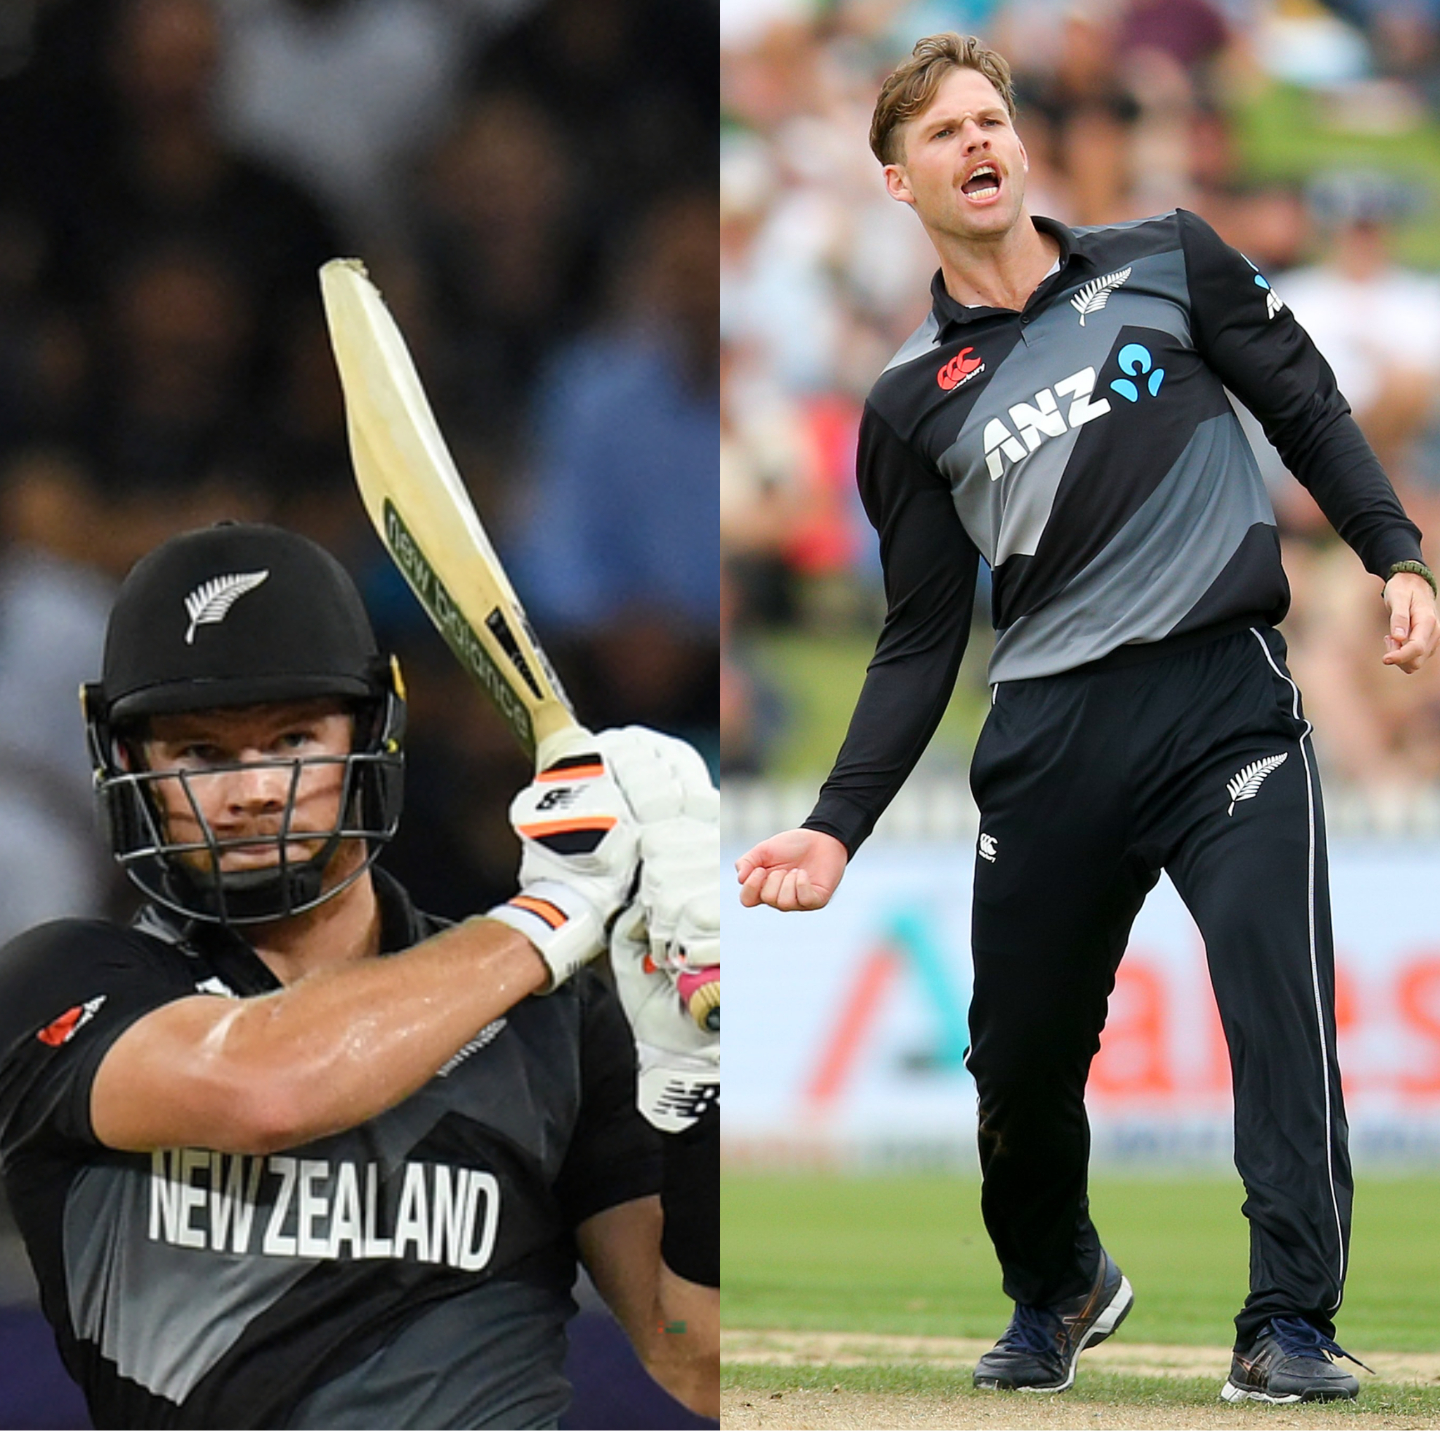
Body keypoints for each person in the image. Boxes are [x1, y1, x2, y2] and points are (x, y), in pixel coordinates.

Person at [736, 32, 1439, 1406]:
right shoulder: (905, 403)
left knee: (1279, 1015)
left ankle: (1288, 1322)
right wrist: (834, 830)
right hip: (1052, 739)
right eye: (943, 134)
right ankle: (1057, 1284)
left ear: (1020, 141)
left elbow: (1302, 404)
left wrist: (1395, 554)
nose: (978, 144)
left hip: (1224, 703)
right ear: (896, 181)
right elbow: (921, 638)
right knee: (1020, 1059)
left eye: (989, 119)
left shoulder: (1167, 259)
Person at [0, 521, 719, 1428]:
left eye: (294, 739)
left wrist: (696, 1101)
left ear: (372, 731)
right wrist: (552, 914)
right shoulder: (59, 982)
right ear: (130, 762)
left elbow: (704, 1359)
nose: (254, 790)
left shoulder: (560, 1024)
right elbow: (264, 1087)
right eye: (201, 755)